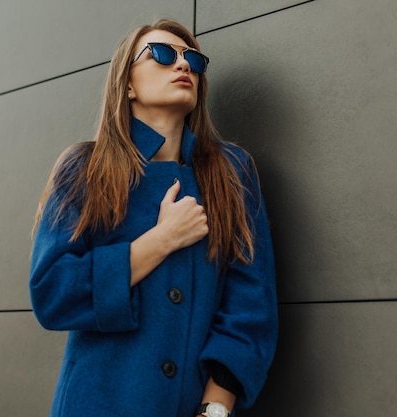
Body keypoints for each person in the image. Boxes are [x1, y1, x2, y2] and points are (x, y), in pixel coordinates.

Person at [29, 18, 278, 417]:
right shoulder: (84, 168)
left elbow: (251, 310)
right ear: (127, 83)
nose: (183, 66)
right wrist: (161, 240)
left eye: (192, 59)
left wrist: (215, 409)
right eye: (162, 55)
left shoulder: (232, 171)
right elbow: (52, 293)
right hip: (96, 404)